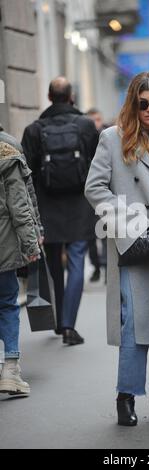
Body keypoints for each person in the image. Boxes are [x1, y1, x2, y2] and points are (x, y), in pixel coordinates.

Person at [85, 72, 149, 426]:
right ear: (133, 103)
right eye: (143, 103)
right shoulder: (112, 139)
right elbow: (95, 188)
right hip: (135, 246)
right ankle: (126, 396)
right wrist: (130, 227)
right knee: (135, 324)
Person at [22, 77, 99, 346]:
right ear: (71, 97)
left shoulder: (34, 130)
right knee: (77, 260)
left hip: (47, 204)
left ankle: (56, 320)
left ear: (48, 96)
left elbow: (27, 172)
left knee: (55, 263)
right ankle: (68, 325)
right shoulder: (86, 126)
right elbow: (98, 165)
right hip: (80, 203)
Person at [0, 138, 40, 396]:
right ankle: (10, 370)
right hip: (2, 245)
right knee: (7, 302)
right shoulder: (7, 153)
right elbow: (20, 206)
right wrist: (31, 244)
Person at [86, 108, 107, 283]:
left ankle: (106, 266)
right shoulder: (84, 138)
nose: (96, 123)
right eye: (92, 120)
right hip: (90, 193)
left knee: (106, 232)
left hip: (107, 193)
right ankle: (97, 266)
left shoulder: (107, 136)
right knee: (92, 234)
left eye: (98, 119)